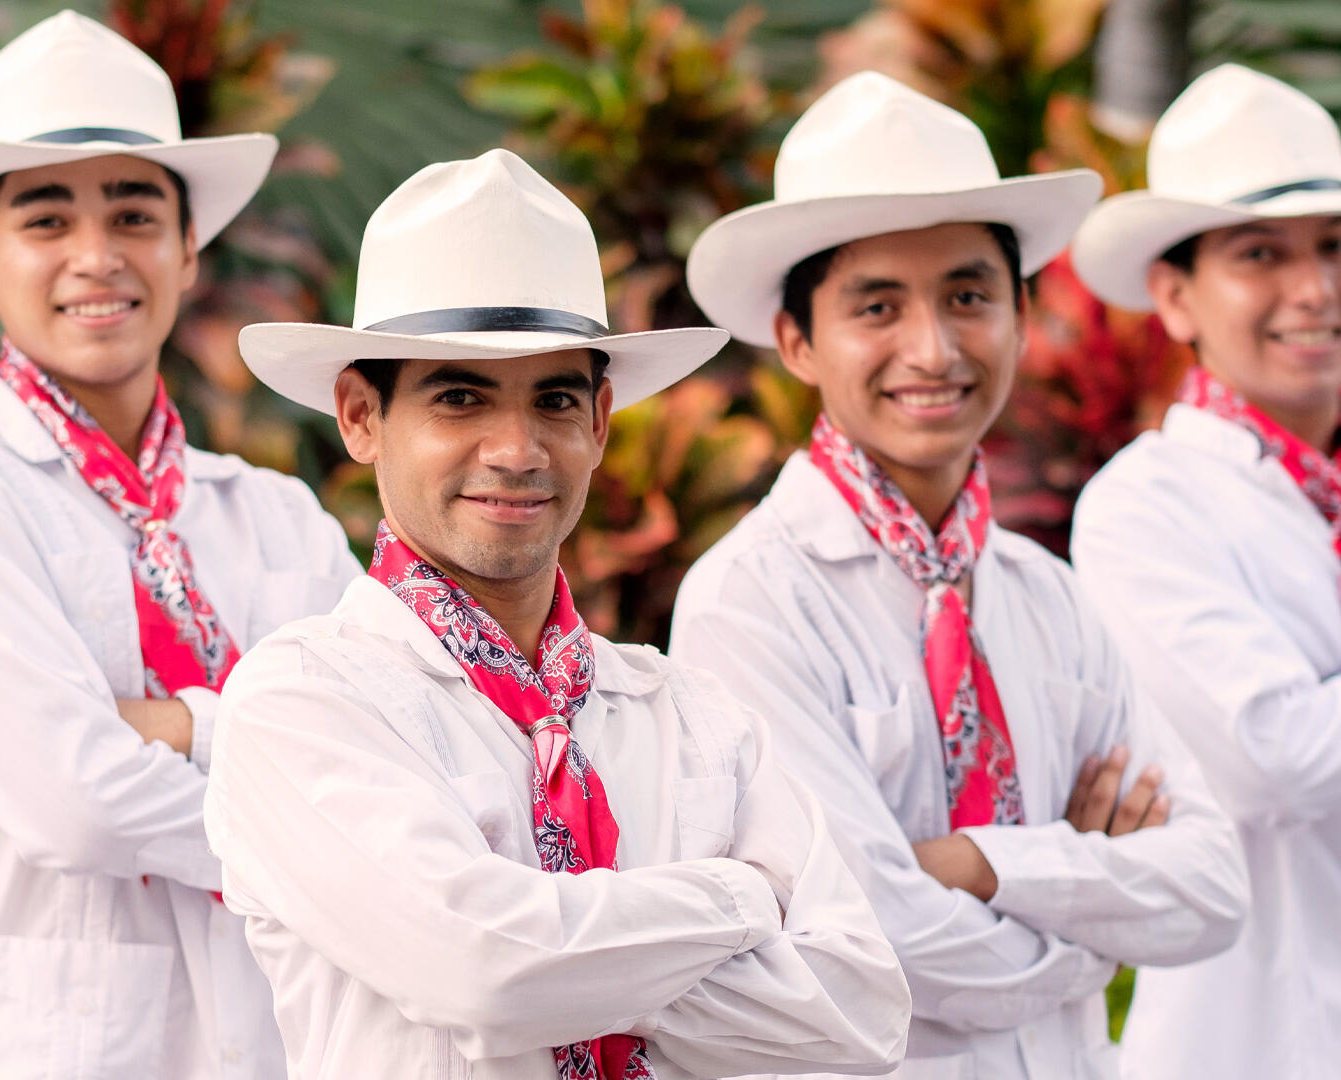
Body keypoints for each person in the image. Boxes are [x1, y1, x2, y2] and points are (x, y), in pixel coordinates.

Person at [205, 146, 912, 1080]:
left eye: (555, 400)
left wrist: (575, 952)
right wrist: (740, 901)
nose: (517, 448)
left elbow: (861, 1017)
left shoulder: (693, 714)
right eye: (460, 399)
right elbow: (482, 972)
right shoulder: (304, 699)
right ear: (361, 416)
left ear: (601, 421)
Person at [670, 71, 1249, 1079]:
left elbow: (1211, 887)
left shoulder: (1043, 591)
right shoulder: (749, 602)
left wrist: (983, 862)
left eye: (969, 296)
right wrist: (1093, 912)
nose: (932, 349)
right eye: (878, 307)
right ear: (800, 343)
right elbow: (874, 941)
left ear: (1022, 316)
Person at [0, 12, 360, 1077]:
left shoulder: (271, 514)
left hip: (274, 1042)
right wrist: (304, 791)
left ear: (187, 249)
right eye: (46, 220)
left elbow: (387, 757)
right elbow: (72, 804)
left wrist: (177, 725)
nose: (97, 257)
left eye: (134, 214)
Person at [1068, 63, 1341, 1080]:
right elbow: (1277, 759)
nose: (1313, 289)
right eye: (1261, 255)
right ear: (1175, 297)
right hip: (1256, 1037)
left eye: (1334, 247)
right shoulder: (1145, 506)